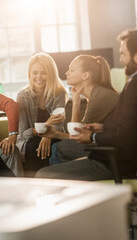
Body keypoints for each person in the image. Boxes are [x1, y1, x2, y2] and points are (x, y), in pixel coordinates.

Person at [36, 28, 137, 180]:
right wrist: (102, 128)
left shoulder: (132, 86)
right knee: (58, 149)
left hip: (117, 162)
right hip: (115, 156)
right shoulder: (131, 83)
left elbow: (124, 137)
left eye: (123, 54)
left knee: (43, 174)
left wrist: (93, 136)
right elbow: (129, 127)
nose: (121, 60)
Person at [44, 55, 119, 165]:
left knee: (59, 147)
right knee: (57, 146)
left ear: (85, 75)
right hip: (106, 145)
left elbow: (77, 135)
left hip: (114, 152)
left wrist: (56, 134)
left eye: (72, 70)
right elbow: (77, 132)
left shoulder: (100, 96)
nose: (66, 73)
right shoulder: (96, 94)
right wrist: (76, 100)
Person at [16, 52, 68, 177]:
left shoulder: (60, 93)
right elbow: (23, 133)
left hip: (54, 137)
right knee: (33, 146)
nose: (39, 77)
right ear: (29, 74)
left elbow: (58, 126)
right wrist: (45, 126)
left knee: (53, 147)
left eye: (44, 72)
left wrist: (46, 137)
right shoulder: (22, 96)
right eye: (35, 72)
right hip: (29, 140)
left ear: (51, 74)